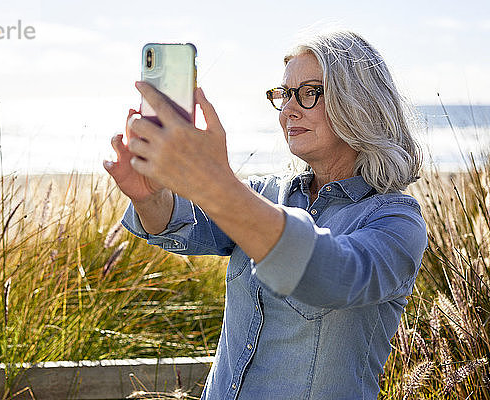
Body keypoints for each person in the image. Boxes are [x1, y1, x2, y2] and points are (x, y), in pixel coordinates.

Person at [103, 30, 427, 400]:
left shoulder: (395, 222)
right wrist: (150, 196)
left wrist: (215, 183)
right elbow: (183, 225)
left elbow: (330, 276)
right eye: (285, 94)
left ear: (360, 102)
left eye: (309, 92)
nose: (289, 109)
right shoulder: (267, 195)